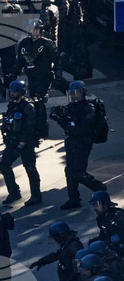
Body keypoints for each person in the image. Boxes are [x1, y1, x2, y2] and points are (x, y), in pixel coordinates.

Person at [50, 81, 105, 210]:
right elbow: (68, 127)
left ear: (83, 92)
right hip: (72, 142)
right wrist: (59, 118)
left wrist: (68, 123)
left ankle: (98, 187)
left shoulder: (88, 108)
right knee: (69, 170)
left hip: (83, 143)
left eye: (76, 93)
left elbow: (84, 129)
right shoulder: (71, 106)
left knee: (78, 173)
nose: (74, 96)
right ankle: (73, 199)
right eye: (72, 93)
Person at [0, 80, 42, 207]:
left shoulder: (28, 106)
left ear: (22, 92)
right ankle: (14, 192)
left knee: (30, 168)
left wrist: (22, 143)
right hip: (12, 141)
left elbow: (30, 128)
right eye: (11, 91)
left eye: (15, 91)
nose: (12, 94)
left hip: (26, 143)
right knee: (4, 166)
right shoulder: (12, 105)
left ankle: (36, 195)